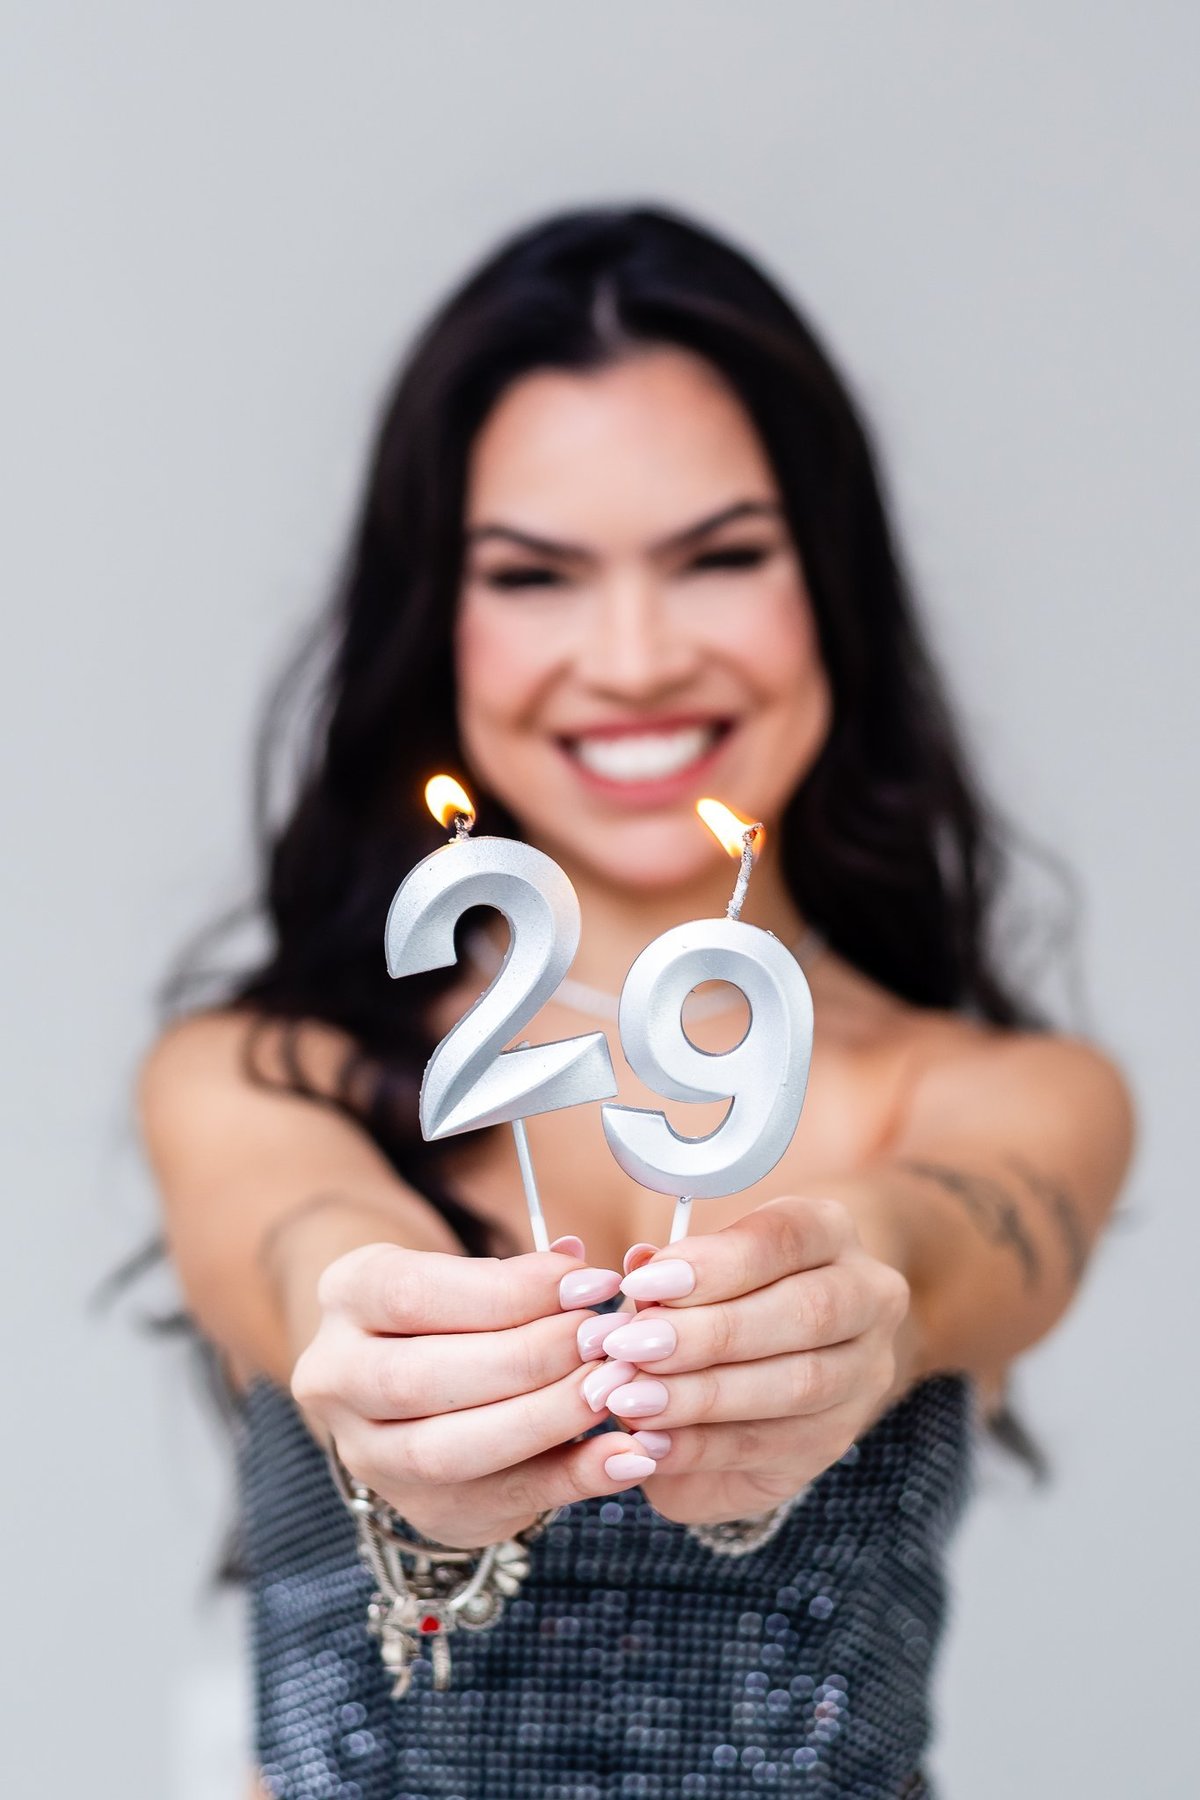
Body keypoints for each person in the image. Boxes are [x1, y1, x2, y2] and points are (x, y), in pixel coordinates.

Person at [138, 205, 1134, 1799]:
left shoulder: (1017, 1103)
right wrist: (378, 1369)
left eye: (721, 556)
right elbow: (305, 1253)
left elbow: (923, 1247)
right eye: (534, 575)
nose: (634, 656)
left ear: (836, 585)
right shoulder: (254, 1077)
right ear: (437, 623)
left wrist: (839, 1313)